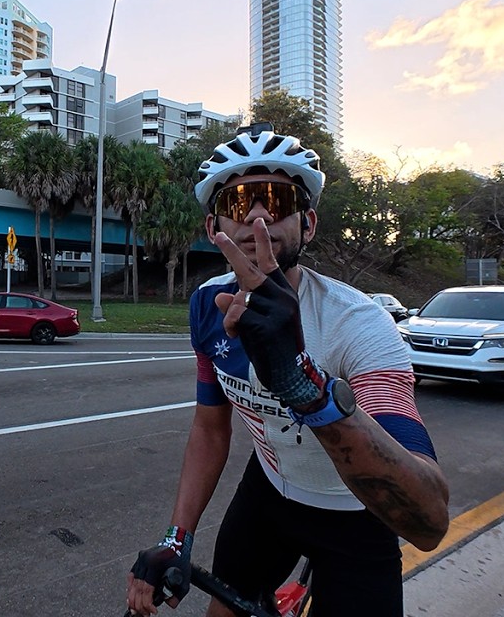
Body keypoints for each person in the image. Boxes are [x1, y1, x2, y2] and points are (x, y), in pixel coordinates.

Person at [126, 123, 450, 617]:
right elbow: (211, 429)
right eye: (238, 203)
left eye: (276, 200)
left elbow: (428, 520)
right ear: (216, 230)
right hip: (269, 494)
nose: (258, 215)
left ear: (309, 224)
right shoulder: (206, 305)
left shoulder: (360, 324)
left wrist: (306, 387)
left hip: (357, 515)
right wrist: (176, 536)